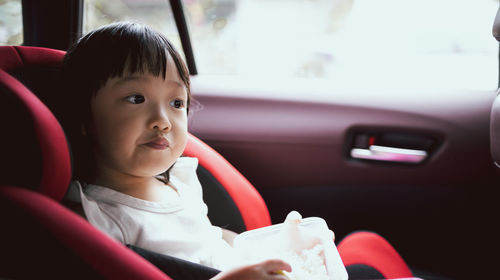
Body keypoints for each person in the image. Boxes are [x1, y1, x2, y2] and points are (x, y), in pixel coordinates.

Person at [60, 22, 413, 280]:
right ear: (84, 117)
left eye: (176, 102)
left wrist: (279, 247)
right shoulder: (100, 221)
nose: (163, 120)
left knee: (367, 259)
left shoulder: (179, 180)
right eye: (136, 98)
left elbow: (210, 240)